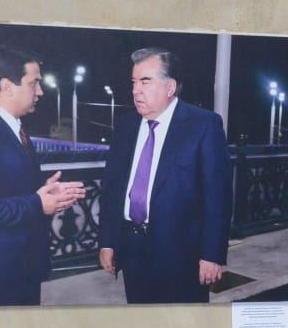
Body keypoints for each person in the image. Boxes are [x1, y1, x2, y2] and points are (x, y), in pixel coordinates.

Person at [0, 45, 85, 306]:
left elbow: (9, 188)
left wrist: (44, 190)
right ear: (7, 86)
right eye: (33, 83)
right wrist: (37, 203)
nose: (40, 91)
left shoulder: (13, 128)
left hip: (20, 271)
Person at [97, 47, 231, 303]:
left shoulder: (203, 125)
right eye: (134, 82)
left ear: (170, 87)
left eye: (145, 81)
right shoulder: (125, 126)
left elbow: (218, 197)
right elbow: (112, 189)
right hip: (132, 249)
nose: (136, 90)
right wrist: (107, 242)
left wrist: (212, 255)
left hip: (182, 255)